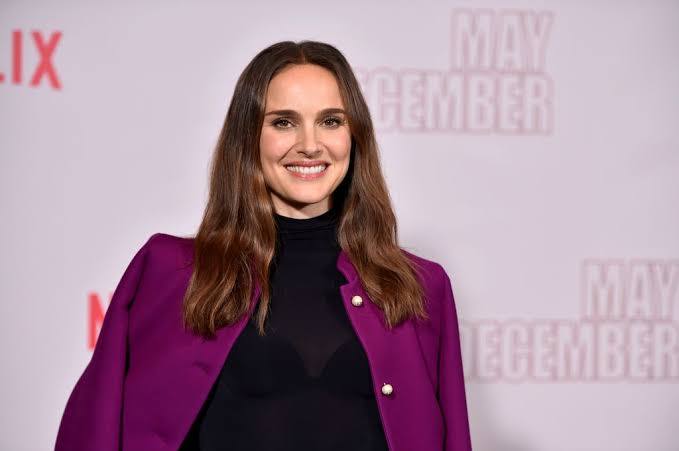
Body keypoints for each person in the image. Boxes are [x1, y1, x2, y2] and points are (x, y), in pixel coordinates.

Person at [55, 40, 472, 451]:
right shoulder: (169, 272)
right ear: (248, 136)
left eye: (330, 121)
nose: (310, 144)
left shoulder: (421, 287)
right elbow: (94, 431)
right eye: (284, 122)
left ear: (355, 135)